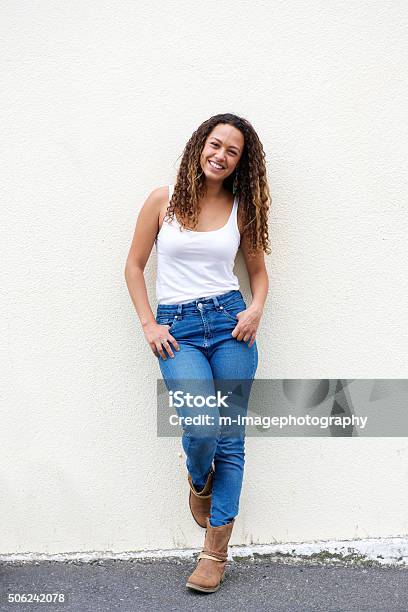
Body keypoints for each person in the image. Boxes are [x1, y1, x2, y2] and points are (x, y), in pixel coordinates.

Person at [124, 113, 271, 593]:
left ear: (240, 163)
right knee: (201, 426)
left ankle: (214, 554)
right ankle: (198, 480)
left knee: (231, 441)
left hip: (231, 326)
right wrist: (149, 324)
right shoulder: (162, 200)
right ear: (199, 145)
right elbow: (134, 265)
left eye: (232, 151)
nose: (221, 155)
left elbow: (257, 272)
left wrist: (255, 310)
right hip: (179, 329)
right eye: (215, 144)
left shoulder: (238, 207)